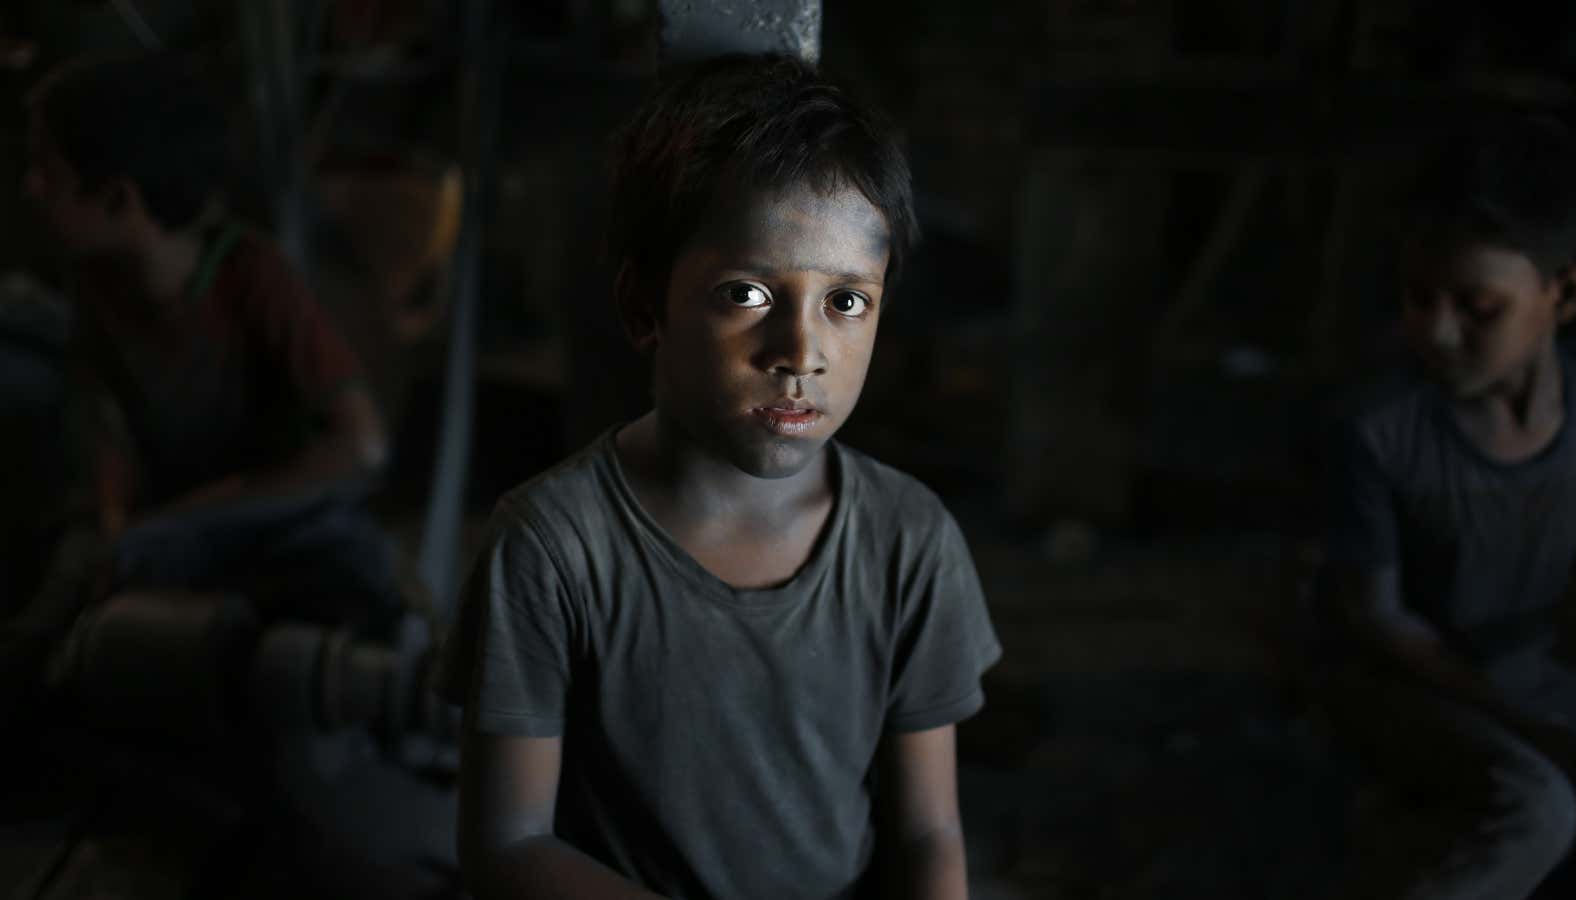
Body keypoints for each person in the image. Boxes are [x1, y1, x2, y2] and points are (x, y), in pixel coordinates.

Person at [437, 54, 1002, 899]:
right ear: (643, 310)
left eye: (846, 302)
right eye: (745, 294)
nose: (802, 353)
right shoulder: (553, 549)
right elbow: (507, 847)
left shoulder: (909, 541)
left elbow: (927, 830)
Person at [16, 53, 397, 636]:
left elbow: (362, 444)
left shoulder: (250, 274)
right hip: (160, 534)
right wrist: (117, 526)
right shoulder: (96, 280)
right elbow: (104, 423)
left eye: (47, 171)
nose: (30, 188)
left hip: (273, 528)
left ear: (120, 200)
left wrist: (186, 518)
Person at [1322, 115, 1576, 898]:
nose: (1437, 332)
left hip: (1526, 670)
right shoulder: (1379, 429)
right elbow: (1380, 621)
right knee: (1539, 807)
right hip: (1396, 685)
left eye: (1478, 308)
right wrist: (1531, 725)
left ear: (1564, 293)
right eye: (1417, 298)